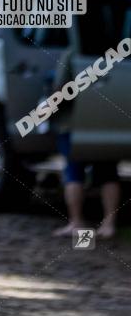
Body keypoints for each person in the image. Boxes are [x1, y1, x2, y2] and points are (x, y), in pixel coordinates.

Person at [50, 47, 119, 239]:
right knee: (108, 171)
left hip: (74, 123)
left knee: (74, 172)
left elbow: (62, 90)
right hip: (107, 122)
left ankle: (76, 222)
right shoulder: (117, 51)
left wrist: (44, 110)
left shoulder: (73, 53)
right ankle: (109, 224)